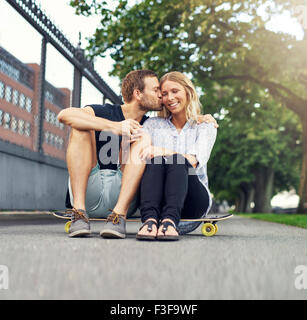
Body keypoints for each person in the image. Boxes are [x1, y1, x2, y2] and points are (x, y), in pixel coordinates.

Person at [57, 69, 218, 238]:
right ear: (138, 94)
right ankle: (79, 213)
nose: (165, 97)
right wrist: (114, 126)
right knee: (79, 126)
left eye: (171, 92)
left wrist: (200, 118)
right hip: (94, 186)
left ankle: (119, 216)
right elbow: (65, 115)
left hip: (140, 195)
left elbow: (189, 154)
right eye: (159, 92)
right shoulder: (121, 116)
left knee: (150, 144)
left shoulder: (159, 125)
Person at [136, 71, 217, 241]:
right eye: (164, 94)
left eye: (175, 91)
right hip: (156, 203)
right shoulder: (152, 124)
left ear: (188, 92)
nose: (170, 98)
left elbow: (194, 161)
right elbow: (140, 157)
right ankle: (149, 221)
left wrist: (164, 151)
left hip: (191, 204)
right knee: (156, 161)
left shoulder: (205, 126)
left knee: (178, 160)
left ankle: (170, 221)